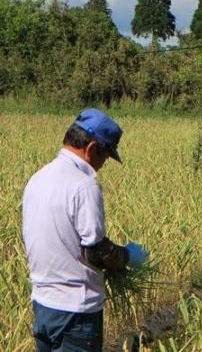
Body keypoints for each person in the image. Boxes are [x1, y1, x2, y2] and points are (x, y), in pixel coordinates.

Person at [22, 109, 149, 352]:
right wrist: (128, 256)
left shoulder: (37, 179)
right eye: (105, 156)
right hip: (76, 314)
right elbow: (95, 251)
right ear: (91, 148)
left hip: (43, 306)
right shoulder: (84, 185)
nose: (102, 165)